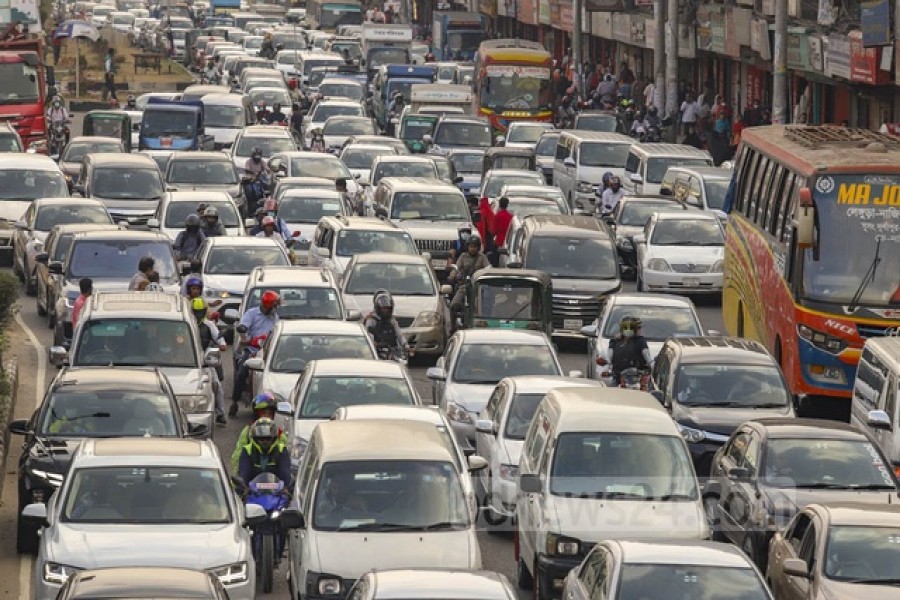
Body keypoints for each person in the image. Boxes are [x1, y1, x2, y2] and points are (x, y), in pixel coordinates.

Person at [231, 290, 280, 416]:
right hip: (252, 350)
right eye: (274, 306)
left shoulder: (274, 317)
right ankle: (235, 401)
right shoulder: (252, 314)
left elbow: (276, 330)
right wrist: (244, 332)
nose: (276, 309)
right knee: (242, 372)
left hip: (268, 352)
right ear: (268, 305)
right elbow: (243, 326)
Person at [192, 297, 229, 426]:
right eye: (195, 311)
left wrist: (215, 346)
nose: (197, 315)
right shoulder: (186, 323)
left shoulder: (209, 325)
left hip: (206, 361)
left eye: (200, 311)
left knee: (216, 385)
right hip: (187, 361)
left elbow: (222, 344)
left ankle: (220, 413)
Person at [230, 392, 289, 472]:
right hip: (252, 478)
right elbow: (237, 457)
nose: (267, 416)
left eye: (269, 414)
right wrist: (239, 478)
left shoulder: (279, 433)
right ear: (256, 414)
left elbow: (285, 458)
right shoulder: (247, 432)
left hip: (273, 479)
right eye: (263, 413)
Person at [237, 417, 292, 489]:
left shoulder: (281, 450)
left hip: (277, 494)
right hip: (252, 494)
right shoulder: (247, 450)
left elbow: (285, 474)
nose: (265, 441)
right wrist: (242, 486)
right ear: (256, 439)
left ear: (274, 438)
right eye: (261, 438)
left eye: (268, 438)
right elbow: (244, 474)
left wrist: (287, 488)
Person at [448, 234, 490, 326]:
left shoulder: (482, 257)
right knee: (453, 305)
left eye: (474, 246)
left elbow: (488, 268)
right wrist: (452, 275)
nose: (472, 249)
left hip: (478, 287)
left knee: (487, 304)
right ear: (467, 247)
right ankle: (452, 326)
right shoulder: (463, 257)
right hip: (464, 286)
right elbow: (456, 267)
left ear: (478, 247)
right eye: (471, 246)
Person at [608, 315, 653, 383]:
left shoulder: (640, 341)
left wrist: (652, 366)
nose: (628, 330)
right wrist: (608, 365)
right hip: (618, 377)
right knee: (612, 390)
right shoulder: (615, 341)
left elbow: (647, 355)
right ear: (621, 328)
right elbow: (609, 356)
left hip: (636, 377)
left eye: (631, 327)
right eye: (625, 327)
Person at [364, 290, 408, 357]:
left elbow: (399, 334)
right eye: (384, 308)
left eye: (388, 309)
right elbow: (368, 335)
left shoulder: (392, 320)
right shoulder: (371, 319)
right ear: (378, 307)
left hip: (393, 350)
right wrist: (374, 344)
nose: (386, 311)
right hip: (377, 351)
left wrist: (405, 345)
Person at [491, 196, 513, 265]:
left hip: (499, 242)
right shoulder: (510, 216)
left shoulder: (498, 216)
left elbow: (494, 231)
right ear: (507, 205)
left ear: (500, 204)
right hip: (508, 243)